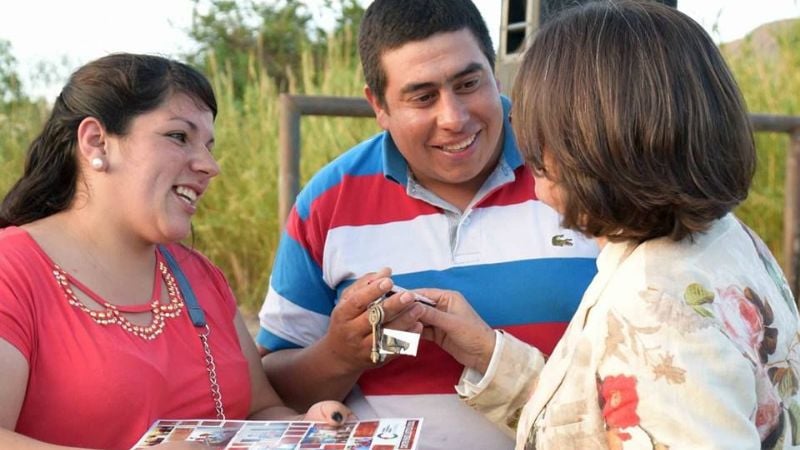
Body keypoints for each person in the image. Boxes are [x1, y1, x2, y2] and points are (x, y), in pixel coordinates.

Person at [414, 1, 800, 448]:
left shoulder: (653, 307)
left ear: (589, 144)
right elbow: (611, 417)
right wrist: (487, 352)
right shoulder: (724, 239)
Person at [255, 1, 598, 448]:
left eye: (469, 84)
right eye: (422, 97)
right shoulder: (327, 201)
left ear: (495, 75)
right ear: (378, 106)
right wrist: (340, 355)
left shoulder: (580, 169)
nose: (454, 118)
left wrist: (489, 352)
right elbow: (270, 392)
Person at [0, 53, 350, 450]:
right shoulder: (12, 269)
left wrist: (305, 427)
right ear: (96, 141)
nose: (210, 166)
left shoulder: (199, 276)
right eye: (179, 137)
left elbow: (258, 411)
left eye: (209, 146)